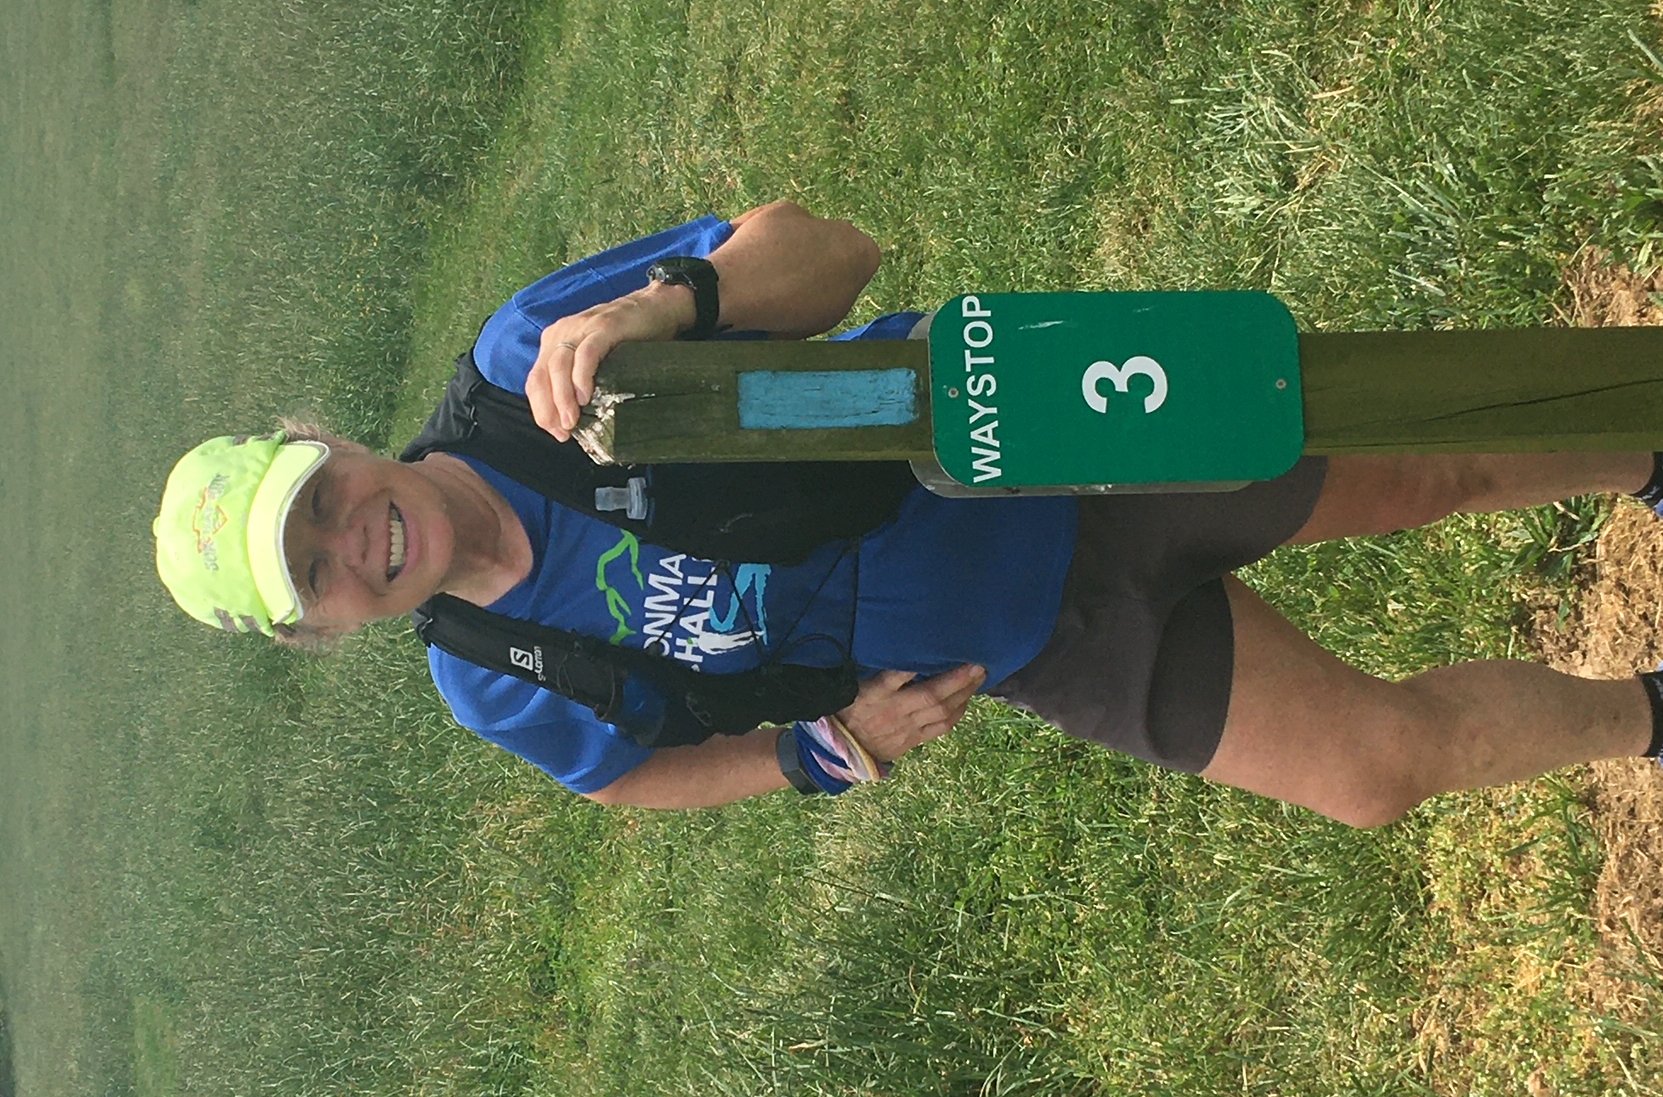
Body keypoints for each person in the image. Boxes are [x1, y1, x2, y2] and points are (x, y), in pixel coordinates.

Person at [153, 201, 1663, 825]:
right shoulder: (489, 674)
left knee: (1423, 471)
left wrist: (670, 304)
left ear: (340, 446)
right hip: (1033, 642)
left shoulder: (522, 365)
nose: (354, 541)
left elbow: (831, 250)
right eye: (315, 577)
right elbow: (630, 779)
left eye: (323, 500)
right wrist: (823, 757)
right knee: (1373, 774)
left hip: (1038, 451)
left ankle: (1639, 454)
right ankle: (1650, 715)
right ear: (327, 631)